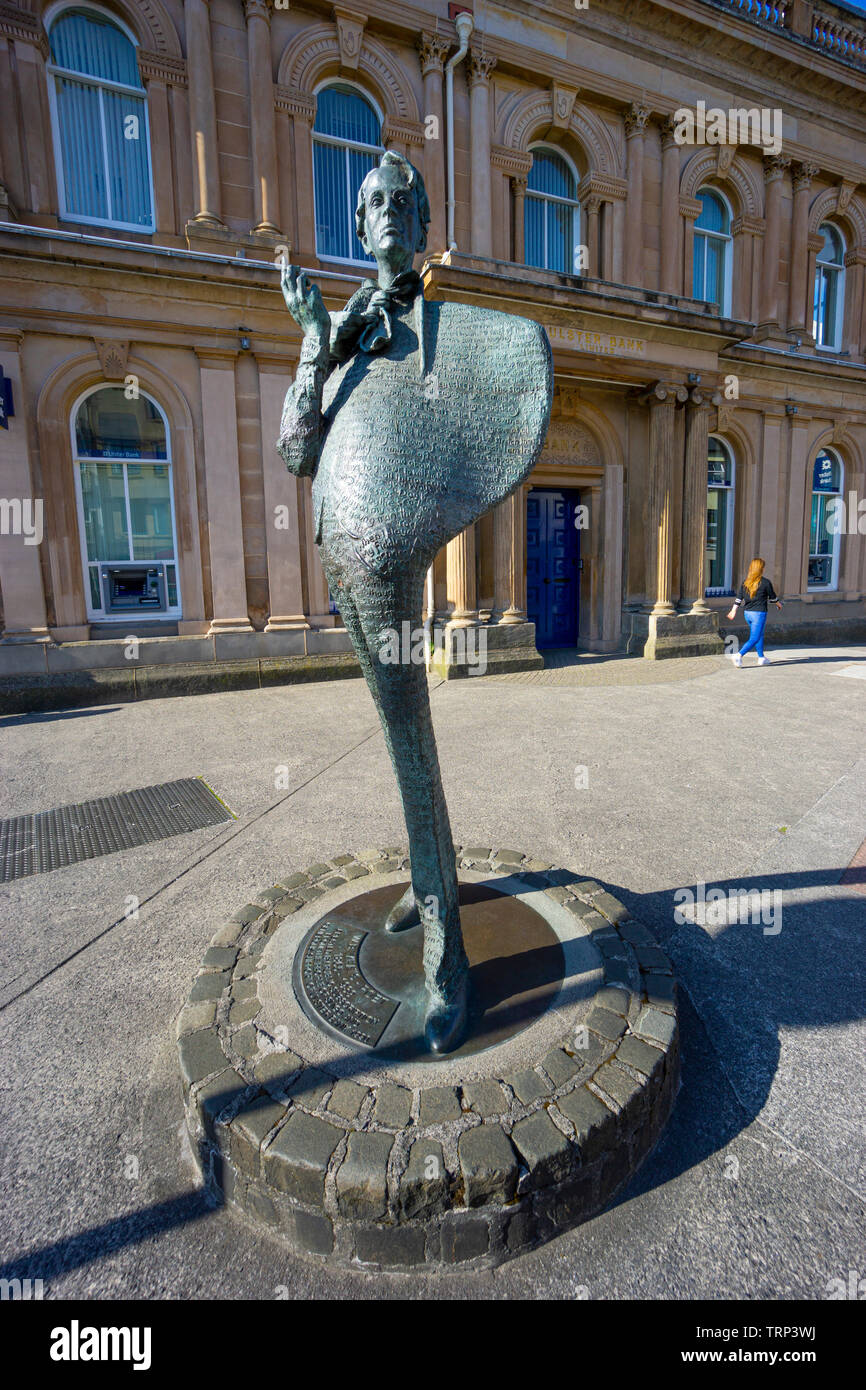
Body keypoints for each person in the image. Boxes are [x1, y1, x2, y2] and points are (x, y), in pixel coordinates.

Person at [277, 151, 551, 1052]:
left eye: (403, 199)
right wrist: (318, 336)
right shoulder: (344, 342)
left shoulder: (454, 334)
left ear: (422, 220)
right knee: (407, 745)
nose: (388, 209)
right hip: (340, 553)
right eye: (373, 201)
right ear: (358, 225)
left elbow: (478, 424)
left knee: (408, 739)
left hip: (390, 554)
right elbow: (294, 452)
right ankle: (431, 872)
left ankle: (446, 948)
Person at [726, 558, 782, 666]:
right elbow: (773, 598)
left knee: (759, 634)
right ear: (761, 569)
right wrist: (779, 605)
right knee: (755, 638)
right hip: (759, 614)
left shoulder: (745, 582)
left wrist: (733, 611)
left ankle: (761, 658)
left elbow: (739, 599)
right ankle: (738, 655)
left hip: (747, 613)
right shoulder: (765, 582)